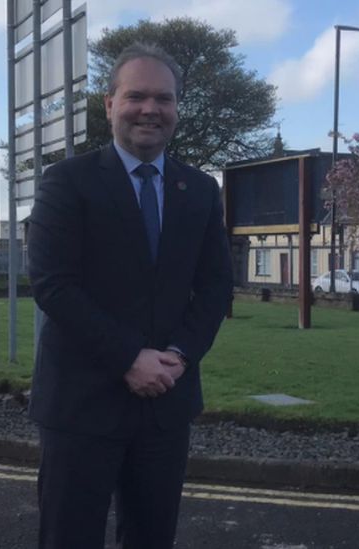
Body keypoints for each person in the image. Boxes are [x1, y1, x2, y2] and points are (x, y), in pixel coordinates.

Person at [27, 42, 233, 548]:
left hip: (165, 401)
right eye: (136, 96)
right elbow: (53, 284)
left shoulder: (201, 189)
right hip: (81, 403)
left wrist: (178, 356)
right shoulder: (66, 182)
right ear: (109, 104)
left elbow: (215, 285)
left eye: (163, 99)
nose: (150, 109)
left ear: (177, 108)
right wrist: (128, 357)